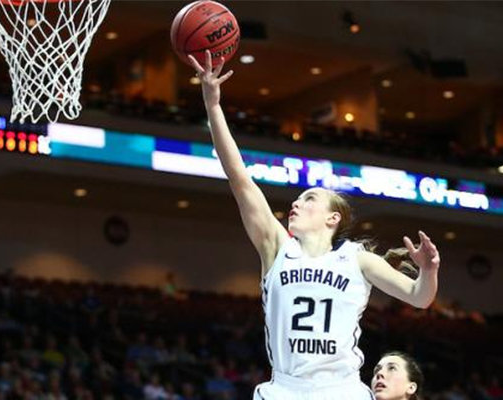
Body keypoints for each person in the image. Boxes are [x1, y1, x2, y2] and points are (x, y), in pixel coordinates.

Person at [189, 51, 440, 400]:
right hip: (284, 390)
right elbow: (239, 178)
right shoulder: (276, 247)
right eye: (296, 199)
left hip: (341, 391)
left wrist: (428, 271)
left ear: (332, 218)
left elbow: (420, 297)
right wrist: (213, 106)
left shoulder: (357, 259)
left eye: (308, 199)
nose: (296, 203)